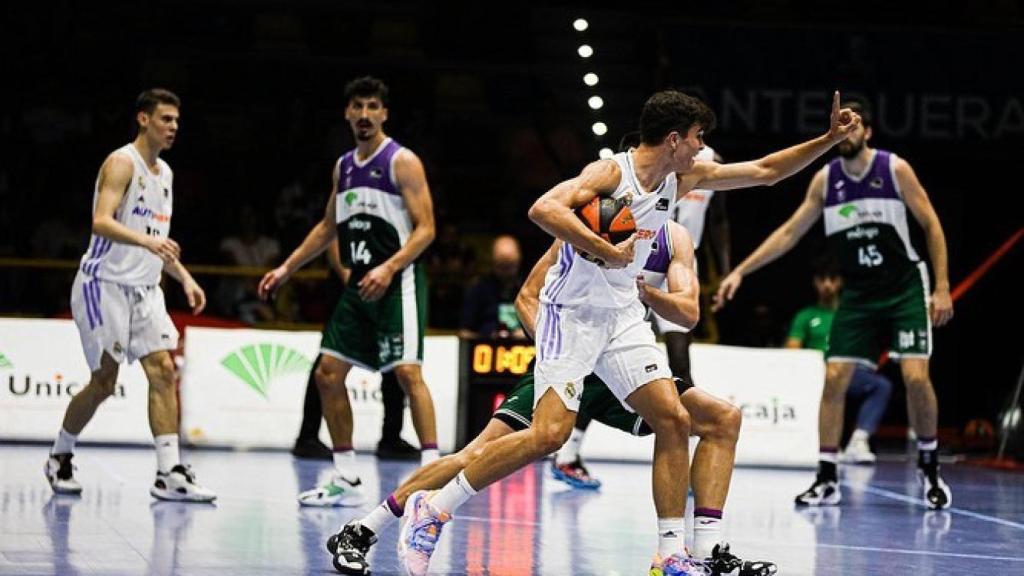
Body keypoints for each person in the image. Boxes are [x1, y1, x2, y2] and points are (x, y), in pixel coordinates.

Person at [386, 90, 858, 575]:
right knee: (549, 435)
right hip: (569, 314)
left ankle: (671, 554)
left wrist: (827, 139)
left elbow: (765, 172)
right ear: (674, 138)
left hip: (622, 316)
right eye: (698, 138)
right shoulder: (610, 173)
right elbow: (544, 208)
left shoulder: (681, 177)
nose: (702, 148)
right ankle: (434, 507)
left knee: (672, 420)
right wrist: (605, 250)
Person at [327, 221, 776, 576]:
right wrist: (562, 358)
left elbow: (690, 312)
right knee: (477, 454)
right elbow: (528, 298)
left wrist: (645, 291)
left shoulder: (672, 236)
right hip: (571, 362)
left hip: (625, 365)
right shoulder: (588, 220)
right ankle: (364, 529)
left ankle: (702, 551)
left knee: (721, 419)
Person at [714, 100, 954, 509]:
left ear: (868, 131)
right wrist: (741, 270)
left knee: (915, 377)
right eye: (840, 125)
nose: (847, 131)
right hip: (858, 293)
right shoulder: (826, 180)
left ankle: (929, 466)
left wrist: (943, 285)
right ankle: (826, 476)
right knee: (835, 378)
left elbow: (931, 223)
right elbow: (790, 233)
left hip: (904, 288)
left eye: (854, 124)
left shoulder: (893, 169)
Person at [258, 76, 440, 506]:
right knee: (327, 373)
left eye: (372, 106)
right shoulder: (343, 166)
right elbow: (327, 227)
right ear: (346, 113)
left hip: (399, 282)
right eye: (356, 106)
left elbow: (428, 229)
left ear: (384, 113)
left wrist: (390, 266)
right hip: (359, 284)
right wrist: (286, 268)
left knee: (409, 374)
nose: (364, 114)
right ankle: (346, 478)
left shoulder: (402, 161)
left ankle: (434, 475)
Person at [44, 88, 215, 502]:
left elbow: (157, 240)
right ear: (143, 119)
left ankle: (168, 473)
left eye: (176, 120)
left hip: (145, 289)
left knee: (163, 371)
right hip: (103, 285)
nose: (173, 127)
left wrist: (185, 277)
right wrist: (148, 243)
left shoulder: (166, 174)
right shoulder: (122, 163)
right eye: (165, 119)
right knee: (105, 381)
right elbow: (101, 222)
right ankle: (60, 455)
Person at [553, 141, 732, 490]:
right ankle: (568, 453)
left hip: (676, 261)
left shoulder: (707, 163)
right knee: (602, 363)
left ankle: (691, 461)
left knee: (680, 364)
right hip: (632, 258)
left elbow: (719, 220)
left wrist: (723, 271)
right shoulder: (643, 163)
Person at [292, 240, 417, 461]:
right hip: (349, 289)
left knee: (393, 356)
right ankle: (307, 437)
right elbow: (332, 236)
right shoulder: (348, 207)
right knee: (329, 361)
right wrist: (351, 281)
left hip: (386, 285)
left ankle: (391, 437)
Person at [784, 257, 893, 464]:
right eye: (822, 279)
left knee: (881, 386)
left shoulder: (851, 314)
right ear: (815, 283)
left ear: (840, 282)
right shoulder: (806, 316)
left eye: (832, 279)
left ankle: (859, 441)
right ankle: (824, 447)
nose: (827, 284)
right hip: (815, 375)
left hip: (846, 372)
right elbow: (792, 351)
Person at [458, 234, 526, 340]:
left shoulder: (530, 289)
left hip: (523, 350)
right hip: (484, 350)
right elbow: (464, 332)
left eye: (510, 265)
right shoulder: (477, 289)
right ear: (492, 262)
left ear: (519, 261)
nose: (506, 272)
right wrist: (485, 338)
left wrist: (529, 334)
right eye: (501, 266)